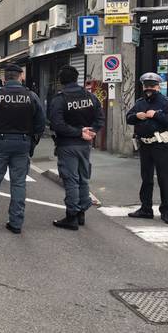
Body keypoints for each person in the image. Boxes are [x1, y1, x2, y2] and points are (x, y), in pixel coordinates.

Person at [0, 64, 45, 235]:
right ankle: (16, 224)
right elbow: (41, 123)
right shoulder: (31, 96)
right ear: (20, 77)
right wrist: (32, 142)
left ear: (4, 79)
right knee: (19, 184)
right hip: (22, 144)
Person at [49, 66, 105, 231]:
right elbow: (100, 118)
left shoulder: (60, 99)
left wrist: (78, 133)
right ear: (76, 78)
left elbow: (56, 124)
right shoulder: (90, 97)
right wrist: (90, 132)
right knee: (83, 178)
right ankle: (81, 212)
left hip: (67, 144)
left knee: (71, 179)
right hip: (85, 145)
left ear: (61, 81)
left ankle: (71, 216)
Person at [126, 73, 168, 225]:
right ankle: (146, 209)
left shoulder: (166, 102)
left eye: (152, 86)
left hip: (161, 145)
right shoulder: (140, 102)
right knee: (146, 178)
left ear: (158, 86)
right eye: (146, 86)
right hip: (145, 145)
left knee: (164, 179)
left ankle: (166, 211)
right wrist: (138, 115)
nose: (149, 88)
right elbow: (128, 118)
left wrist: (156, 115)